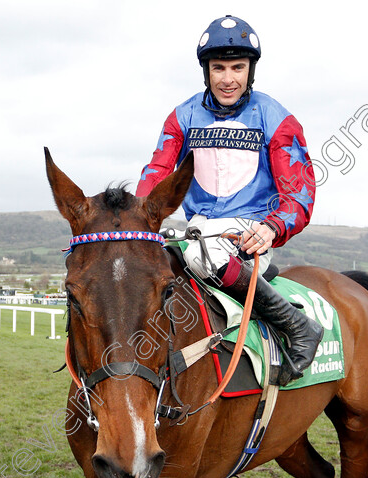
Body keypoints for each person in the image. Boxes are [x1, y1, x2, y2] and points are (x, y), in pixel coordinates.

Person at [136, 15, 322, 385]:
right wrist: (137, 218)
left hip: (250, 232)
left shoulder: (276, 118)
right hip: (197, 230)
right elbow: (157, 173)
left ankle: (299, 327)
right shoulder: (182, 116)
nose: (227, 78)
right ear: (206, 71)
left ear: (250, 70)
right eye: (218, 68)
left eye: (238, 67)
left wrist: (272, 228)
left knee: (206, 252)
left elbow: (300, 192)